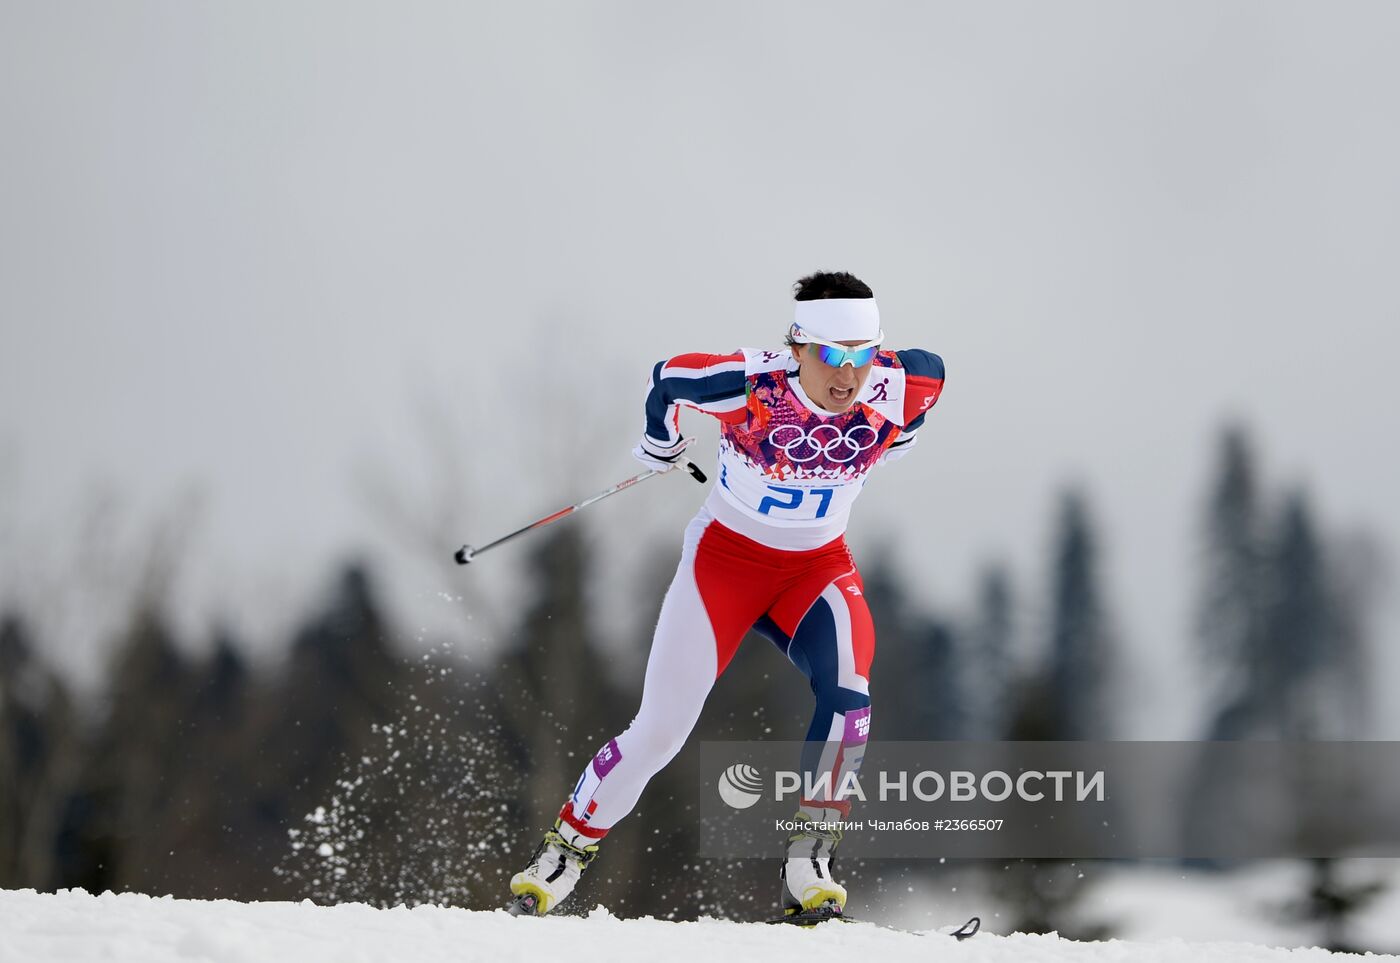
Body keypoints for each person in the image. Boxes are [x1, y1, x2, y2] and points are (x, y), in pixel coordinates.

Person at [508, 270, 946, 918]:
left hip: (815, 570)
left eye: (863, 355)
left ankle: (810, 861)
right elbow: (667, 378)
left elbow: (932, 378)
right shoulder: (749, 385)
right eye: (831, 355)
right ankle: (563, 854)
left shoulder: (904, 384)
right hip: (725, 565)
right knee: (659, 731)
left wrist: (902, 437)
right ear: (797, 346)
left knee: (851, 692)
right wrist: (662, 441)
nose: (848, 376)